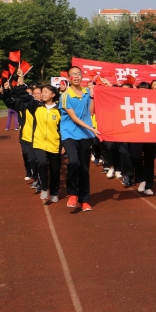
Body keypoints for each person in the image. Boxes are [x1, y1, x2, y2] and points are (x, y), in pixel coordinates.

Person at [60, 66, 101, 211]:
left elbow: (89, 113)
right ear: (69, 78)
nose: (76, 76)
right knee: (74, 162)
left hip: (85, 135)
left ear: (82, 76)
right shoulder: (65, 96)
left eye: (78, 74)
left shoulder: (85, 93)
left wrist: (92, 95)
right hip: (70, 133)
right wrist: (92, 129)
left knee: (84, 168)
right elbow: (74, 118)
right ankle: (72, 193)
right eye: (73, 74)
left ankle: (85, 200)